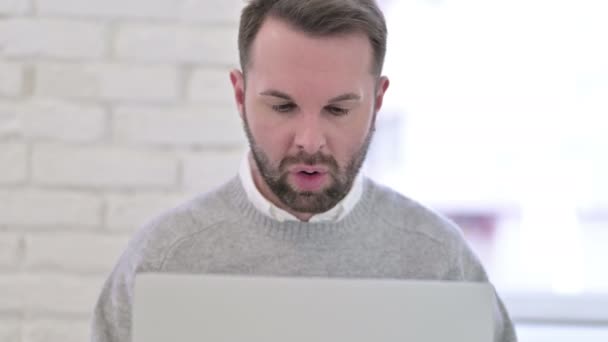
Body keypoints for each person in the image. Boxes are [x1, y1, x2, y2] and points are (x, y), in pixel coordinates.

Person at [91, 0, 517, 341]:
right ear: (240, 95)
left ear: (378, 102)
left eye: (337, 109)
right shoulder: (163, 260)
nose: (310, 141)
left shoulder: (440, 260)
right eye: (282, 106)